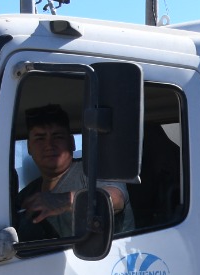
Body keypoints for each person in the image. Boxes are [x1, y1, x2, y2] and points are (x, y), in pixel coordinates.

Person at [16, 103, 133, 241]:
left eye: (57, 136)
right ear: (29, 147)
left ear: (72, 143)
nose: (49, 145)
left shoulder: (95, 169)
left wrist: (65, 200)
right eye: (40, 138)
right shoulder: (26, 196)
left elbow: (116, 199)